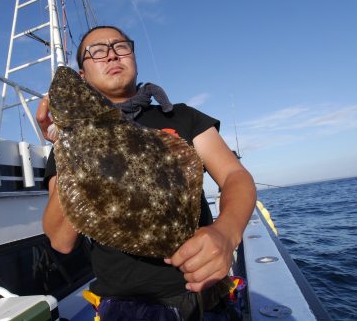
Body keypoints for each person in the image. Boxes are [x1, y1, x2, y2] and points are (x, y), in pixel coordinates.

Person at [37, 25, 256, 321]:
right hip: (126, 303)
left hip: (205, 289)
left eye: (121, 46)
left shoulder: (180, 116)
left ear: (134, 57)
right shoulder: (65, 146)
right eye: (98, 51)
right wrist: (70, 149)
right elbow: (61, 240)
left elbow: (234, 176)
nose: (112, 55)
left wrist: (226, 232)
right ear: (82, 77)